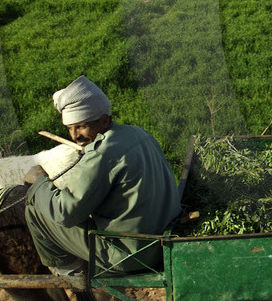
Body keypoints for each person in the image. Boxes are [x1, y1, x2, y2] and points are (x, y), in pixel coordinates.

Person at [23, 76, 179, 277]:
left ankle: (71, 274)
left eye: (81, 126)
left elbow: (64, 214)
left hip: (129, 255)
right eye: (70, 128)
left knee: (35, 208)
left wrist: (39, 182)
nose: (74, 136)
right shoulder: (139, 133)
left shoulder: (100, 154)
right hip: (163, 244)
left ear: (104, 120)